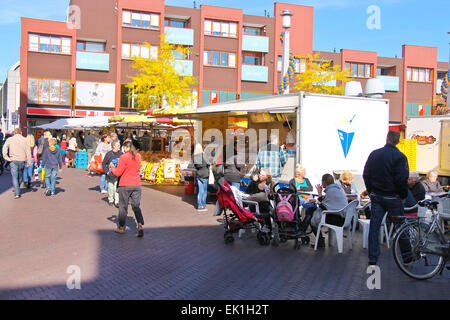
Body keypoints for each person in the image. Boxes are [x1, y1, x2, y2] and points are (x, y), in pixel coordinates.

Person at [363, 131, 411, 266]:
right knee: (400, 226)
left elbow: (366, 174)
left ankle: (373, 258)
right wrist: (402, 195)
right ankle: (407, 256)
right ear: (398, 141)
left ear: (387, 139)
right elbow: (402, 179)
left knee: (374, 226)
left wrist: (371, 190)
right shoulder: (400, 157)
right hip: (393, 197)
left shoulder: (374, 154)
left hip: (377, 196)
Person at [110, 141, 144, 237]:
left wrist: (112, 167)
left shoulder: (123, 157)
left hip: (125, 184)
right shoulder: (138, 156)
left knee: (123, 207)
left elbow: (118, 173)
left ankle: (121, 227)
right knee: (136, 206)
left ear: (126, 147)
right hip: (137, 184)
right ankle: (140, 224)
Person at [306, 174, 349, 248]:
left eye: (322, 181)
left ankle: (319, 241)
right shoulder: (338, 189)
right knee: (311, 210)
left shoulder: (331, 192)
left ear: (324, 181)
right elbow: (327, 204)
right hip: (343, 217)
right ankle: (318, 240)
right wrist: (319, 193)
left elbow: (324, 207)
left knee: (311, 214)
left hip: (337, 219)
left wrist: (316, 201)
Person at [2, 128, 32, 198]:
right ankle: (17, 189)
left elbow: (4, 148)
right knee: (20, 176)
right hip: (22, 159)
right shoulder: (25, 140)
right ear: (21, 133)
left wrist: (6, 157)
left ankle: (17, 192)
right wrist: (29, 161)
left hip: (12, 159)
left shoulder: (10, 139)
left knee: (14, 176)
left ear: (14, 133)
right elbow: (28, 152)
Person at [102, 140, 123, 207]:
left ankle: (117, 201)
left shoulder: (121, 154)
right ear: (113, 146)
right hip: (110, 174)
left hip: (118, 174)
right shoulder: (109, 154)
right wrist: (106, 171)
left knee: (117, 188)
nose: (119, 146)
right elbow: (104, 163)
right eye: (118, 145)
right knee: (111, 187)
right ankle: (111, 199)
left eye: (119, 145)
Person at [194, 143, 209, 212]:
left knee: (200, 191)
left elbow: (196, 166)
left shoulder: (195, 156)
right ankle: (204, 204)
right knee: (204, 191)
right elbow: (208, 163)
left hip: (199, 174)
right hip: (205, 174)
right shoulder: (204, 155)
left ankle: (200, 205)